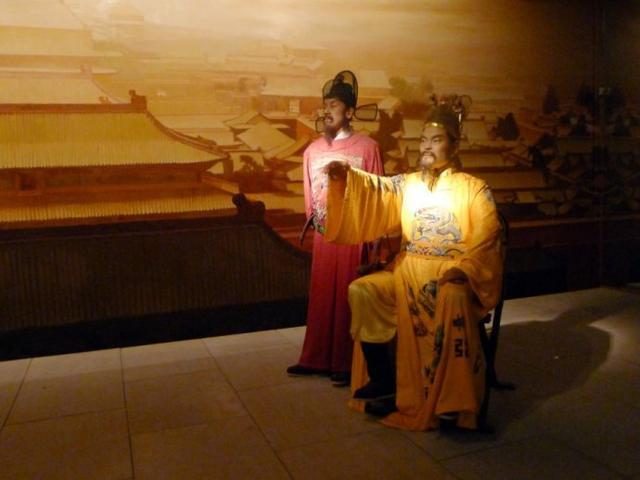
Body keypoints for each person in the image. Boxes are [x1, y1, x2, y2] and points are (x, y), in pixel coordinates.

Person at [323, 96, 503, 429]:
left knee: (454, 296)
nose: (427, 146)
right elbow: (376, 190)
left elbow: (487, 235)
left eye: (436, 140)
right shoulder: (409, 184)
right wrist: (346, 177)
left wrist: (463, 270)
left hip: (451, 275)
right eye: (423, 140)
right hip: (406, 272)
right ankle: (385, 380)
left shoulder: (475, 189)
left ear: (454, 144)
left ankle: (453, 399)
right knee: (363, 290)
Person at [287, 71, 383, 385]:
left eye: (334, 105)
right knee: (322, 295)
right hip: (326, 232)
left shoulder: (368, 148)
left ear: (350, 111)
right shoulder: (312, 151)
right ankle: (315, 358)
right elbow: (309, 196)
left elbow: (377, 194)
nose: (327, 111)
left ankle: (346, 361)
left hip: (354, 233)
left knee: (347, 296)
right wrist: (318, 222)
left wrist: (373, 238)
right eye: (325, 105)